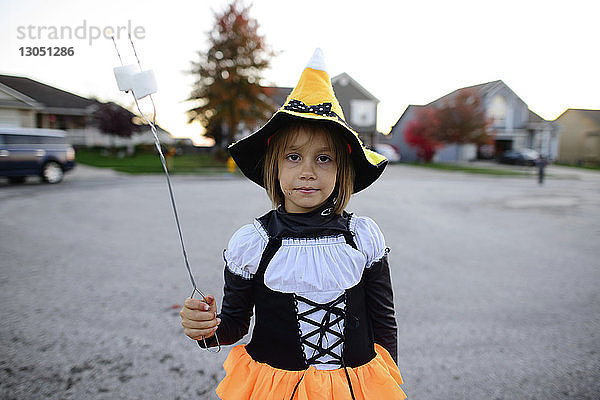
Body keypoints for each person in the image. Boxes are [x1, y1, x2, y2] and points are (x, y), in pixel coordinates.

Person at [179, 48, 407, 400]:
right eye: (294, 156)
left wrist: (387, 375)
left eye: (324, 158)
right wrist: (207, 329)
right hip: (277, 389)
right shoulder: (253, 243)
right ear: (275, 165)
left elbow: (383, 320)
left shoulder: (361, 238)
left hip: (355, 389)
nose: (307, 171)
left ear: (342, 169)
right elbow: (234, 325)